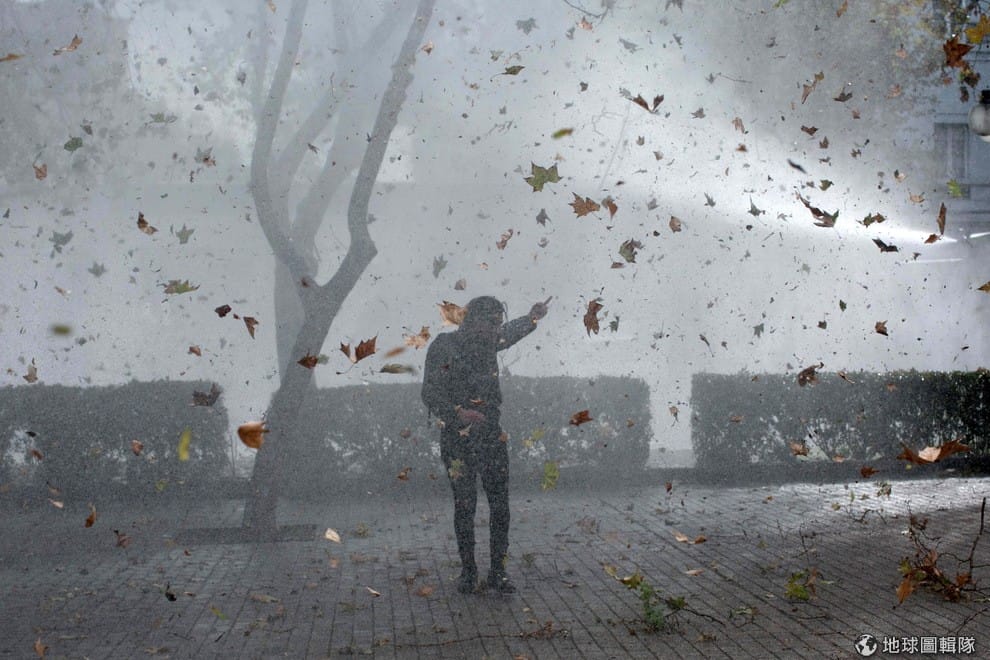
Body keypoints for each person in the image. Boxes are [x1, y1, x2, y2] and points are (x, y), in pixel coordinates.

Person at [421, 295, 550, 594]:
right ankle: (468, 573)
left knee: (500, 505)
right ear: (473, 321)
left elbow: (511, 332)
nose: (496, 330)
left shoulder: (490, 342)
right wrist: (457, 413)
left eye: (498, 324)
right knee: (465, 505)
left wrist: (532, 317)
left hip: (492, 435)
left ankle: (498, 572)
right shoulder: (444, 346)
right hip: (457, 438)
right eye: (491, 323)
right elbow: (430, 391)